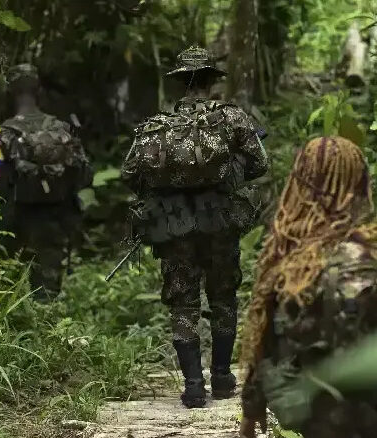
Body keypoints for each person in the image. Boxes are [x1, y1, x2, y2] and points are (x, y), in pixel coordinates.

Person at [239, 136, 377, 438]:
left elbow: (264, 340)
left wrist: (252, 409)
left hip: (321, 414)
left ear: (300, 182)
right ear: (361, 183)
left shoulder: (291, 258)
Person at [121, 46, 269, 408]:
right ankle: (221, 377)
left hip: (175, 226)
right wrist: (226, 174)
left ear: (179, 83)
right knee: (223, 297)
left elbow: (130, 174)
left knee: (183, 302)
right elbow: (259, 164)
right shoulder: (232, 117)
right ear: (210, 81)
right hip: (220, 222)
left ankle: (192, 385)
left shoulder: (156, 125)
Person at [0, 63, 93, 303]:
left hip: (15, 222)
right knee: (48, 286)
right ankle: (48, 317)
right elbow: (85, 175)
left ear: (10, 93)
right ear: (39, 91)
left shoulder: (0, 134)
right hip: (56, 219)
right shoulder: (63, 129)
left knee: (9, 284)